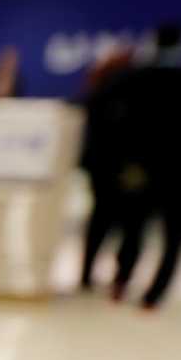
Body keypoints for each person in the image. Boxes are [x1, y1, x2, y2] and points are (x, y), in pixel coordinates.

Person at [101, 23, 181, 310]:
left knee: (134, 228)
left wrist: (122, 162)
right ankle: (153, 295)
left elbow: (114, 124)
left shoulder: (137, 79)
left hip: (143, 169)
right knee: (173, 236)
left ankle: (121, 281)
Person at [78, 46, 136, 292]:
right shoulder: (129, 92)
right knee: (128, 224)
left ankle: (88, 273)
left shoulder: (96, 90)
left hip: (102, 167)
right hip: (124, 168)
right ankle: (119, 276)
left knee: (101, 221)